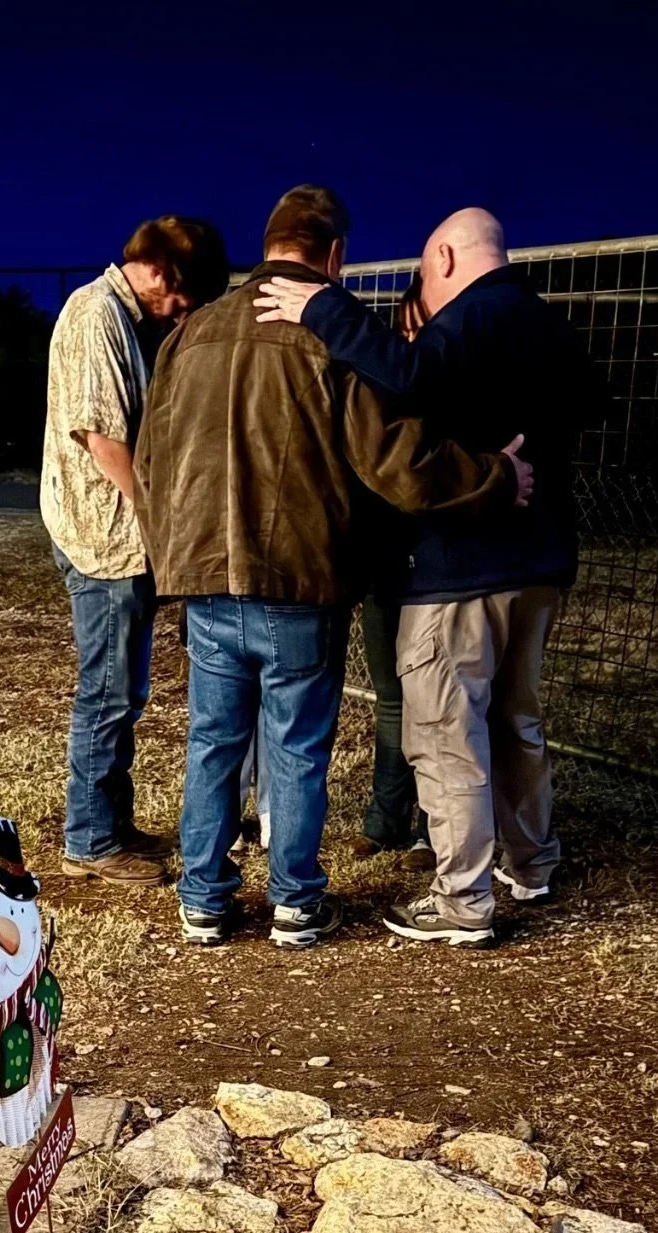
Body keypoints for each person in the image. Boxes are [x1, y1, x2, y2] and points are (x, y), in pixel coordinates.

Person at [135, 186, 532, 949]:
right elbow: (394, 460)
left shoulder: (191, 333)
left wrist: (172, 553)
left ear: (268, 243)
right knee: (297, 744)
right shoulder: (333, 333)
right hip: (299, 578)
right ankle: (294, 901)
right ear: (337, 255)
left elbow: (152, 458)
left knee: (213, 740)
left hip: (204, 578)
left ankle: (205, 899)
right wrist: (492, 478)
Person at [255, 207, 603, 946]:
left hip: (459, 571)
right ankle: (531, 863)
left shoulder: (471, 323)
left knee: (446, 736)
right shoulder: (546, 324)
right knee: (517, 720)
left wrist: (322, 306)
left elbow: (411, 375)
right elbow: (589, 400)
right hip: (538, 566)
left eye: (422, 271)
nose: (424, 288)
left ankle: (462, 900)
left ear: (445, 256)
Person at [42, 217, 230, 888]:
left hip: (118, 540)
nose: (184, 309)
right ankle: (89, 839)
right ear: (159, 272)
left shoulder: (120, 317)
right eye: (184, 295)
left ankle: (109, 825)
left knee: (123, 689)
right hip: (106, 541)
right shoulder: (97, 315)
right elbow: (101, 437)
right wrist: (160, 521)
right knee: (107, 692)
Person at [351, 276, 433, 869]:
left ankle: (433, 826)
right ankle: (386, 821)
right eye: (403, 330)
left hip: (437, 571)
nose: (410, 341)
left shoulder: (448, 391)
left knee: (436, 702)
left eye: (420, 328)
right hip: (385, 567)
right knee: (392, 699)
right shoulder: (377, 392)